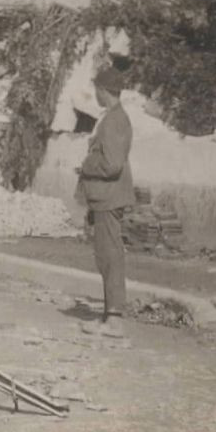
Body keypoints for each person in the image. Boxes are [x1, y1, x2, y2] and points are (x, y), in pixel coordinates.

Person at [75, 66, 135, 341]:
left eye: (96, 89)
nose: (95, 94)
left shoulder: (114, 121)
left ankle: (114, 319)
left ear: (103, 90)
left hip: (108, 196)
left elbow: (111, 164)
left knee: (110, 256)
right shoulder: (114, 118)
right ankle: (109, 315)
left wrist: (86, 165)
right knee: (105, 255)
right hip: (105, 197)